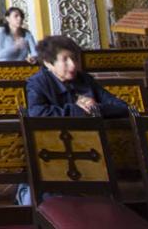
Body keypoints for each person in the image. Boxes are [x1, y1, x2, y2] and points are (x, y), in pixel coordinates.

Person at [16, 35, 129, 205]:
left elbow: (121, 106)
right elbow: (37, 113)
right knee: (46, 200)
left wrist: (94, 108)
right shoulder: (37, 83)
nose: (73, 65)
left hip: (87, 150)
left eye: (74, 58)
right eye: (65, 60)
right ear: (48, 63)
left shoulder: (85, 80)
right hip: (50, 150)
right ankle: (28, 193)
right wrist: (77, 110)